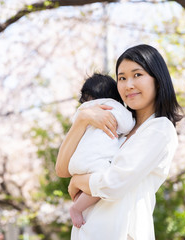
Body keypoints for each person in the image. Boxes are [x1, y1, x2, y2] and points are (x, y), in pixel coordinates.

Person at [55, 44, 183, 239]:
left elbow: (113, 184)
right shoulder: (117, 128)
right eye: (122, 78)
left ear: (157, 80)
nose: (128, 84)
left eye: (137, 75)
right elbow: (62, 169)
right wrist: (82, 120)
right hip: (87, 231)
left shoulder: (159, 129)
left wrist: (78, 181)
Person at [68, 73, 135, 228]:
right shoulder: (113, 107)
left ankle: (79, 200)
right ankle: (76, 208)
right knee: (102, 182)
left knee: (89, 186)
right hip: (95, 162)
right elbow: (127, 125)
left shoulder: (83, 111)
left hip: (76, 162)